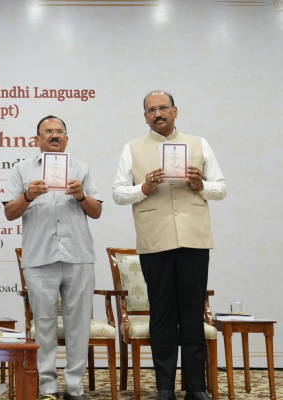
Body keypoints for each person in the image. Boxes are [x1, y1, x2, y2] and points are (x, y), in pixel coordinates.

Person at [112, 91, 227, 400]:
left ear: (175, 111)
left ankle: (196, 387)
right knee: (161, 313)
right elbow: (118, 193)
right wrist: (144, 187)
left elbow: (221, 189)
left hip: (194, 238)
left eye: (163, 108)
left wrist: (200, 185)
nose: (158, 113)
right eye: (151, 110)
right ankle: (165, 387)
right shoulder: (132, 149)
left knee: (191, 312)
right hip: (155, 240)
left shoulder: (199, 143)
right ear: (145, 117)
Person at [4, 115, 102, 400]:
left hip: (78, 257)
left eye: (59, 131)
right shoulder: (21, 169)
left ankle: (74, 387)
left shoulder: (81, 169)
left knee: (79, 323)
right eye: (48, 132)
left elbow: (96, 211)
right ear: (37, 139)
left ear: (67, 139)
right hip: (40, 258)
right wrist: (28, 195)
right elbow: (9, 213)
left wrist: (81, 195)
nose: (54, 135)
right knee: (44, 324)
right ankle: (48, 386)